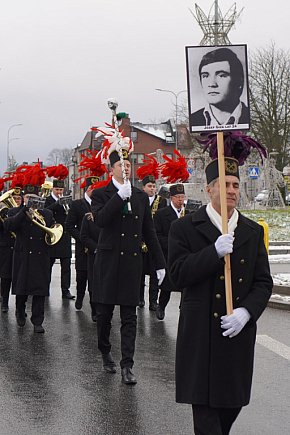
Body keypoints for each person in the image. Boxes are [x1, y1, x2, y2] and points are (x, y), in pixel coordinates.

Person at [168, 157, 273, 434]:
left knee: (228, 413)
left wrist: (247, 312)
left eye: (236, 185)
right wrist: (212, 253)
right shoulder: (184, 228)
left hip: (234, 337)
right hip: (200, 337)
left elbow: (263, 282)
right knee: (206, 420)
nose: (231, 190)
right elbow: (177, 275)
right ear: (209, 190)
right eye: (224, 184)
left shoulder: (252, 231)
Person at [91, 147, 165, 385]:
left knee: (129, 317)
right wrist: (118, 197)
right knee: (103, 315)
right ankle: (105, 350)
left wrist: (160, 263)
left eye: (128, 165)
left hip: (132, 263)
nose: (125, 168)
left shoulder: (141, 197)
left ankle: (127, 365)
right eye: (120, 165)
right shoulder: (101, 193)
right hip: (108, 263)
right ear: (111, 169)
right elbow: (101, 220)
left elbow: (149, 232)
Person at [4, 179, 54, 333]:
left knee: (39, 290)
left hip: (40, 256)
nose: (30, 200)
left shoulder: (47, 213)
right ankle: (20, 311)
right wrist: (24, 211)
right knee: (21, 289)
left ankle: (37, 321)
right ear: (24, 198)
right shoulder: (15, 211)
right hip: (23, 255)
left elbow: (52, 233)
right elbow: (8, 226)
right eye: (27, 197)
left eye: (33, 197)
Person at [189, 47, 249, 128]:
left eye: (221, 75)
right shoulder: (194, 120)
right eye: (205, 76)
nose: (212, 84)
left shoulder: (254, 119)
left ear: (238, 81)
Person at [153, 183, 187, 320]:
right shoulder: (162, 214)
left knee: (186, 284)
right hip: (168, 255)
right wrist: (172, 243)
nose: (180, 200)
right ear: (171, 198)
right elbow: (157, 235)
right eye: (178, 197)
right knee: (167, 286)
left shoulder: (188, 213)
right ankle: (161, 306)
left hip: (185, 255)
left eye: (182, 197)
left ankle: (183, 308)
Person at [66, 176, 98, 318]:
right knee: (81, 276)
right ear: (88, 189)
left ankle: (94, 308)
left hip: (96, 248)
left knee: (94, 280)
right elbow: (69, 225)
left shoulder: (100, 204)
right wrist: (82, 239)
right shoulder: (77, 204)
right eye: (93, 189)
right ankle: (79, 297)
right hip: (82, 247)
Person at [139, 175, 167, 310]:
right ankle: (139, 299)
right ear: (143, 188)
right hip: (140, 241)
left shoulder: (161, 201)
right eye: (149, 186)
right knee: (140, 273)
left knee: (155, 274)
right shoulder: (139, 199)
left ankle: (153, 301)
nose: (152, 189)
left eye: (154, 186)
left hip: (154, 241)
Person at [44, 178, 74, 299]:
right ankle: (45, 287)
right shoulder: (47, 200)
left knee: (66, 266)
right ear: (52, 189)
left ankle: (65, 290)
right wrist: (57, 204)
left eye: (61, 189)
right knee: (48, 265)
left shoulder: (66, 200)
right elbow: (45, 211)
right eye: (57, 189)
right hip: (52, 235)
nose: (59, 192)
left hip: (64, 235)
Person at [0, 187, 23, 312]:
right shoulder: (4, 212)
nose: (16, 200)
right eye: (14, 198)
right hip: (6, 248)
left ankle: (20, 308)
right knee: (6, 276)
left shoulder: (25, 212)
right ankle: (4, 302)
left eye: (19, 198)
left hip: (20, 248)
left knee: (20, 278)